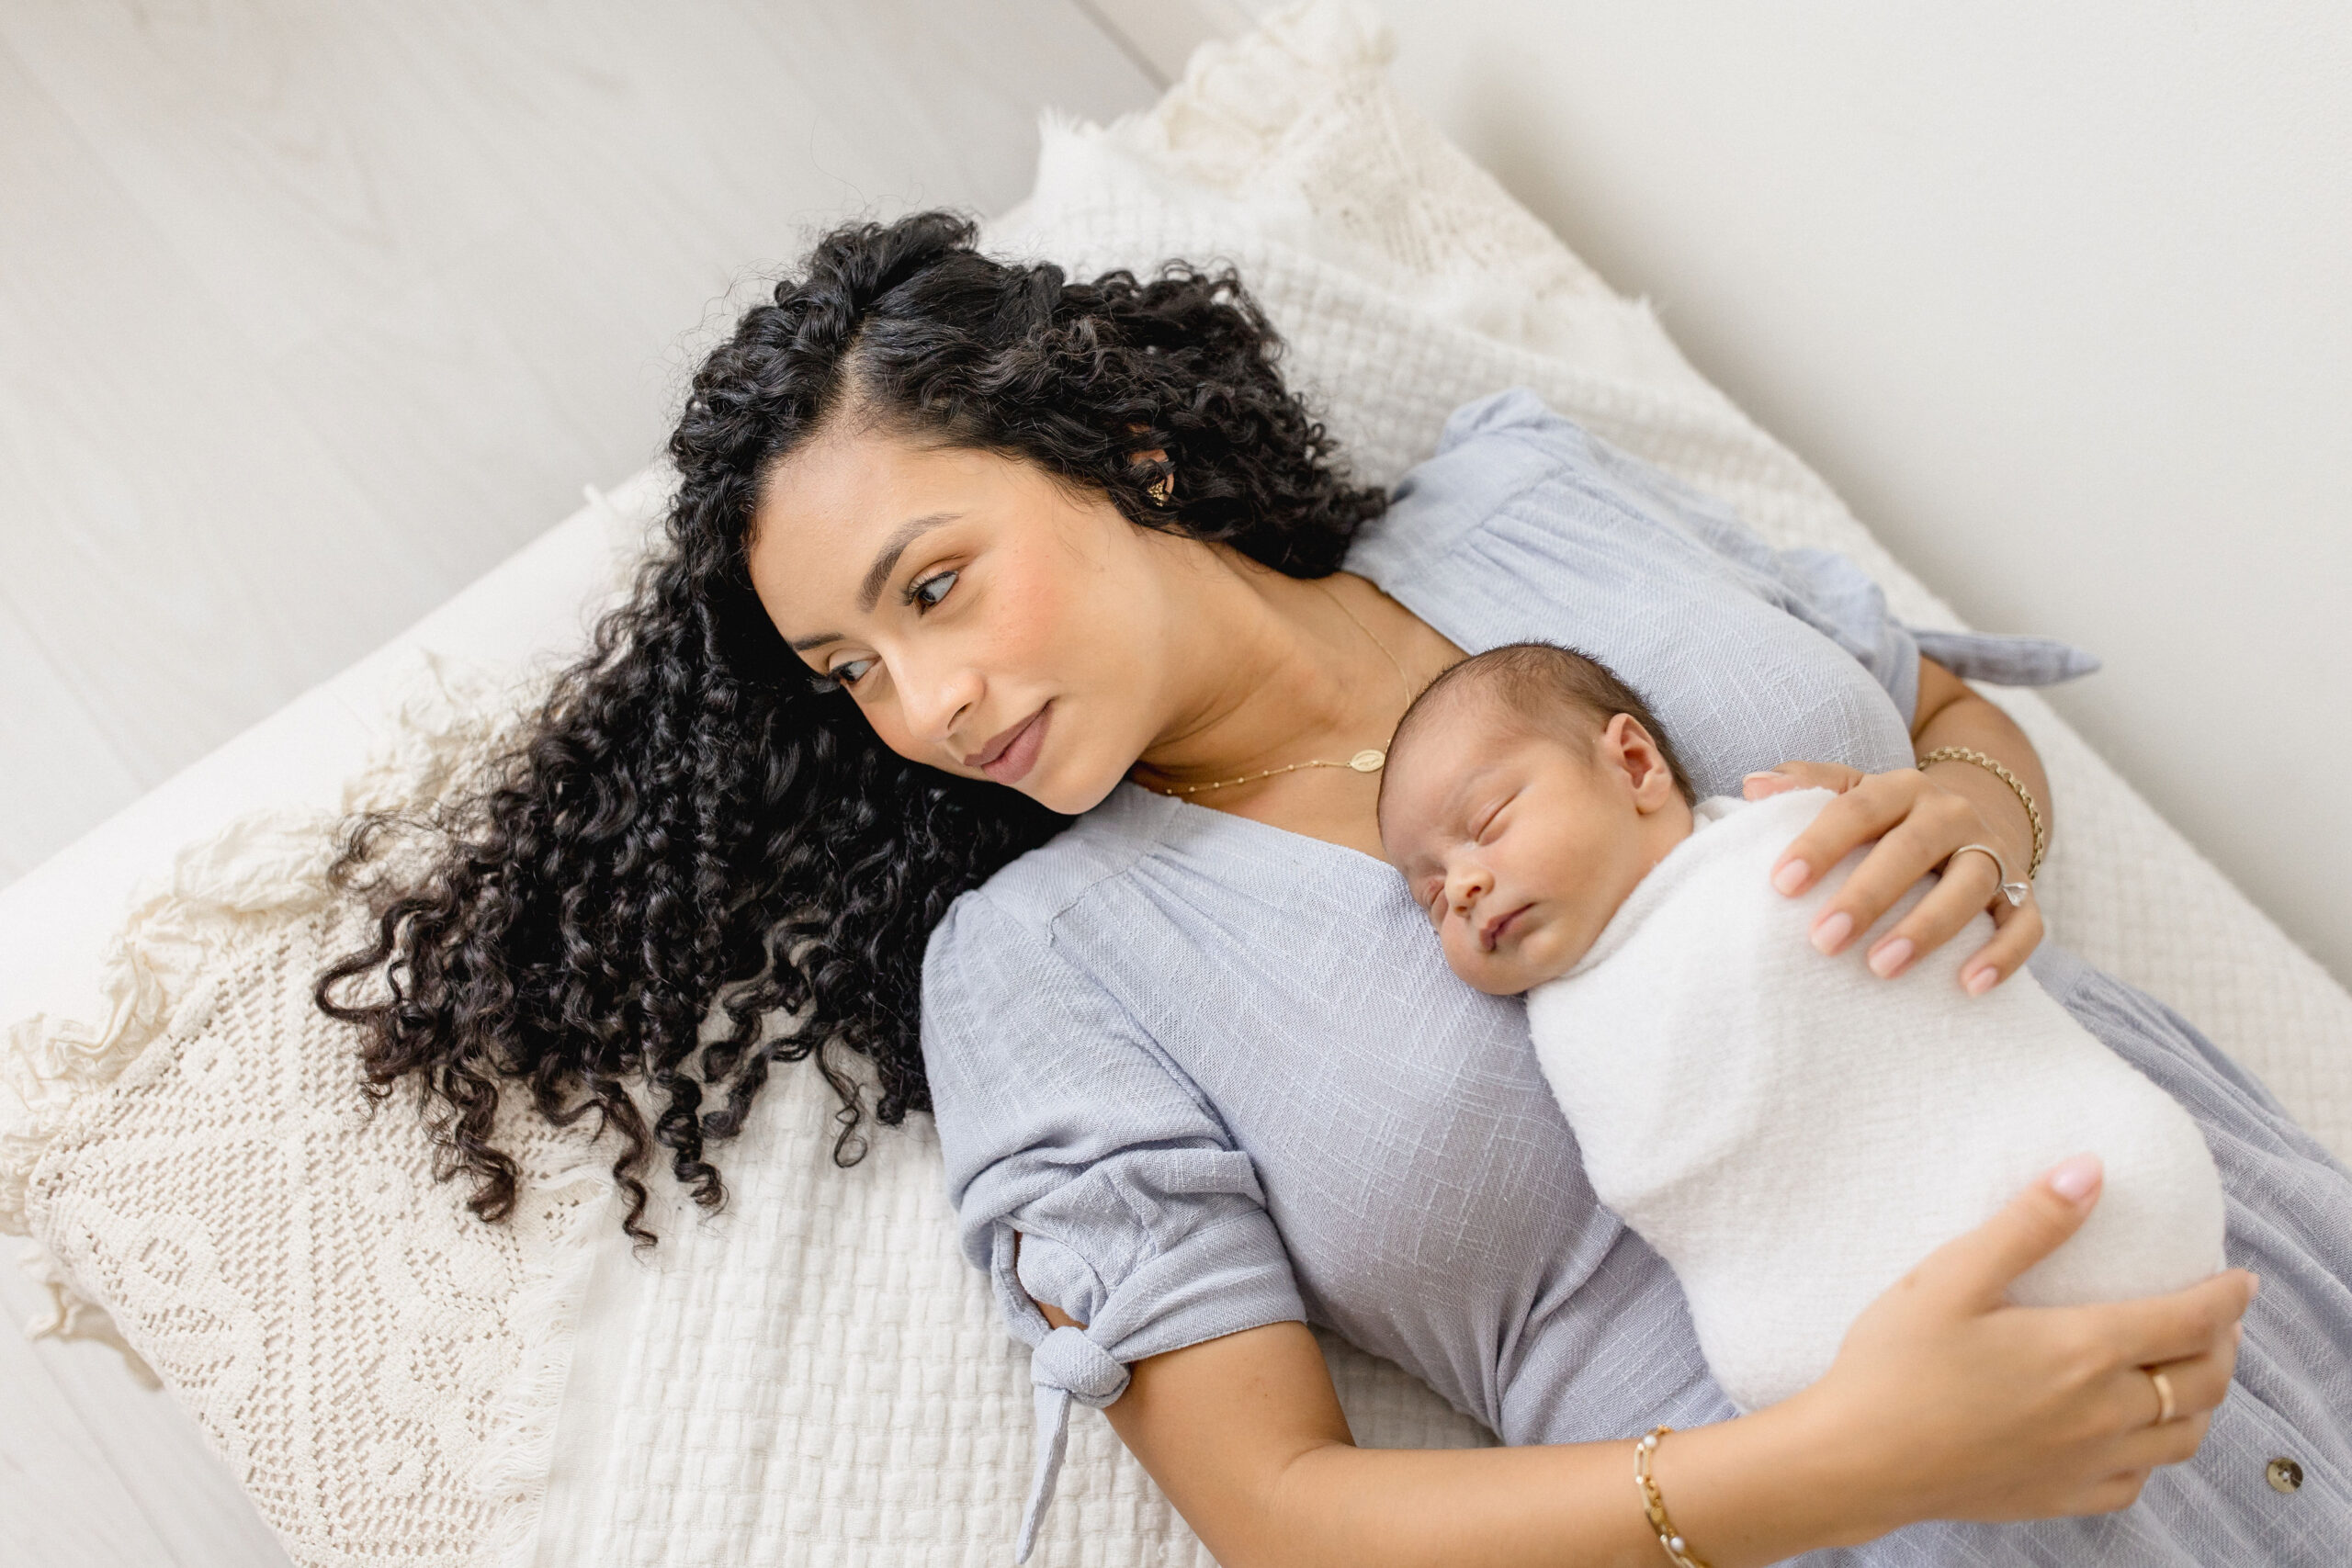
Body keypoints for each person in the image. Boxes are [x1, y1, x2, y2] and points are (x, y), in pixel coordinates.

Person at [319, 211, 2348, 1566]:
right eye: (853, 674)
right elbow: (1281, 1507)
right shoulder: (1043, 967)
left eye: (930, 585)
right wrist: (1845, 1463)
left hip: (2259, 1252)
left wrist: (1979, 820)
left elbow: (1937, 709)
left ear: (1116, 447)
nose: (921, 699)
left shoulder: (1526, 489)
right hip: (1901, 1516)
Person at [1374, 642, 2227, 1416]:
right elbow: (1665, 1174)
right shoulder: (1569, 1027)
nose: (1466, 885)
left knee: (2100, 1168)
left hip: (2053, 1164)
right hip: (1844, 1348)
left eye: (1486, 826)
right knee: (1779, 1350)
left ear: (1634, 764)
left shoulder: (1780, 836)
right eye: (1433, 895)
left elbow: (1917, 951)